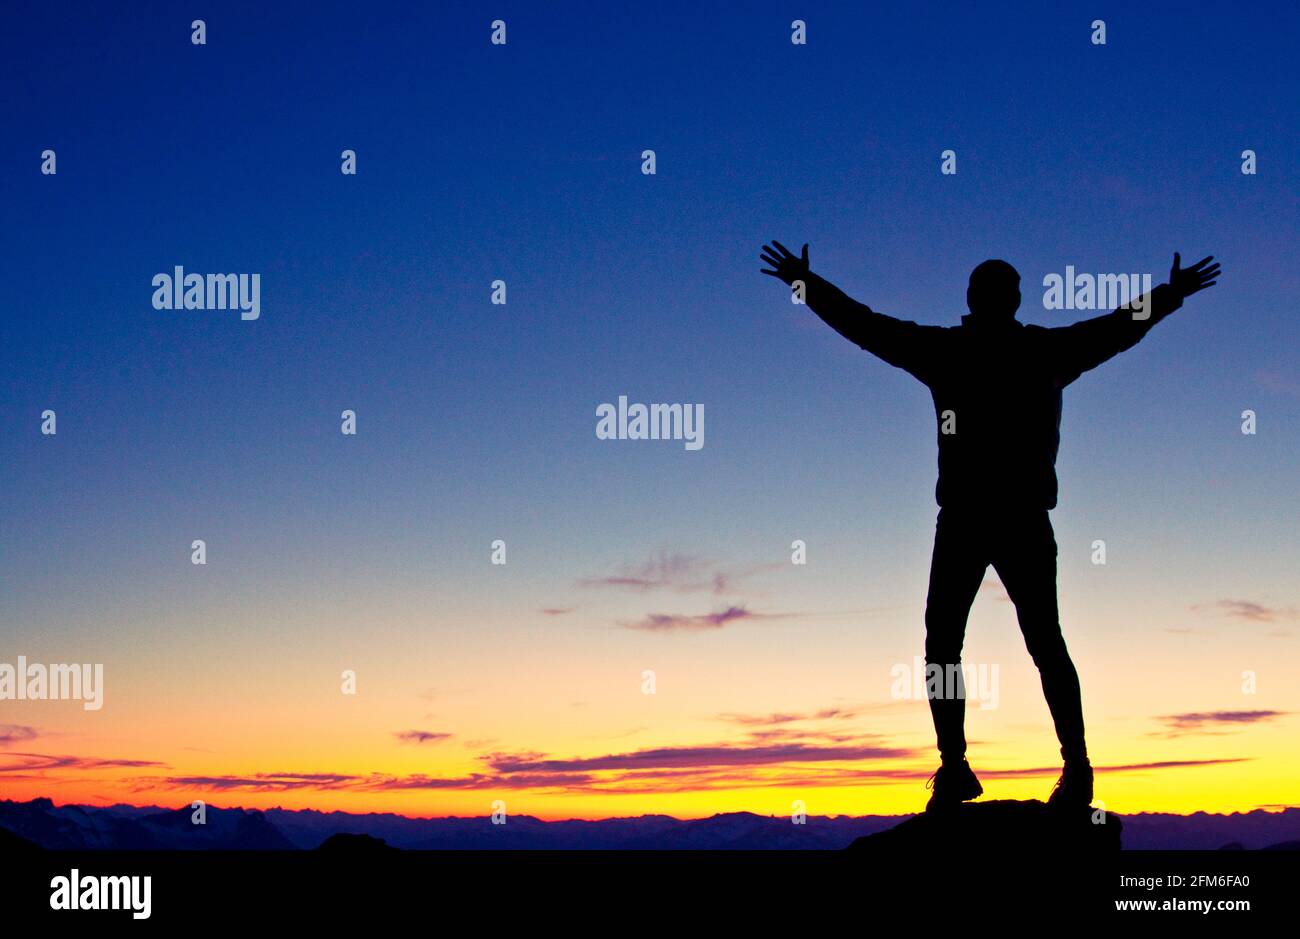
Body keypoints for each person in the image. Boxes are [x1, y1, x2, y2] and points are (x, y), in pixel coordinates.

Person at [760, 242, 1220, 810]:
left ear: (975, 300)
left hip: (974, 519)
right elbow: (1122, 328)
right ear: (1011, 299)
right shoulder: (1041, 352)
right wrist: (1172, 294)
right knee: (1029, 642)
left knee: (954, 645)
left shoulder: (956, 351)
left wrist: (804, 285)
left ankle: (975, 767)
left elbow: (865, 326)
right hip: (1008, 519)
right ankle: (1058, 768)